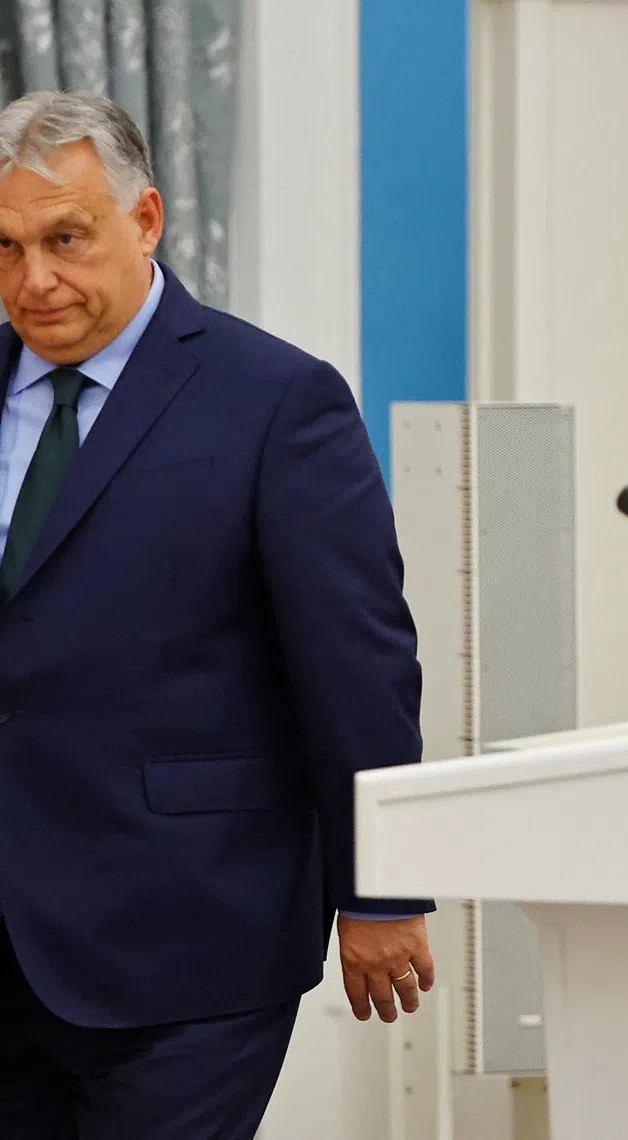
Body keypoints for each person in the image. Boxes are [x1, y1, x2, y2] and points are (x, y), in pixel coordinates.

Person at [0, 91, 435, 1139]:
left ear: (146, 220)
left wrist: (382, 890)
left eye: (66, 238)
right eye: (5, 249)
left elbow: (357, 664)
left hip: (190, 940)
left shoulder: (277, 400)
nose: (35, 280)